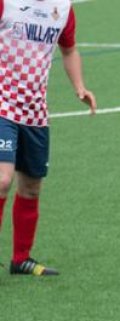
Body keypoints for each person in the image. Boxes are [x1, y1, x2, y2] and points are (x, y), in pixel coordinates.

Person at [0, 0, 96, 277]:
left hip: (34, 111)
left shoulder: (63, 9)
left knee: (31, 186)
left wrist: (80, 87)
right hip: (3, 105)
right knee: (3, 179)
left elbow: (69, 50)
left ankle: (21, 259)